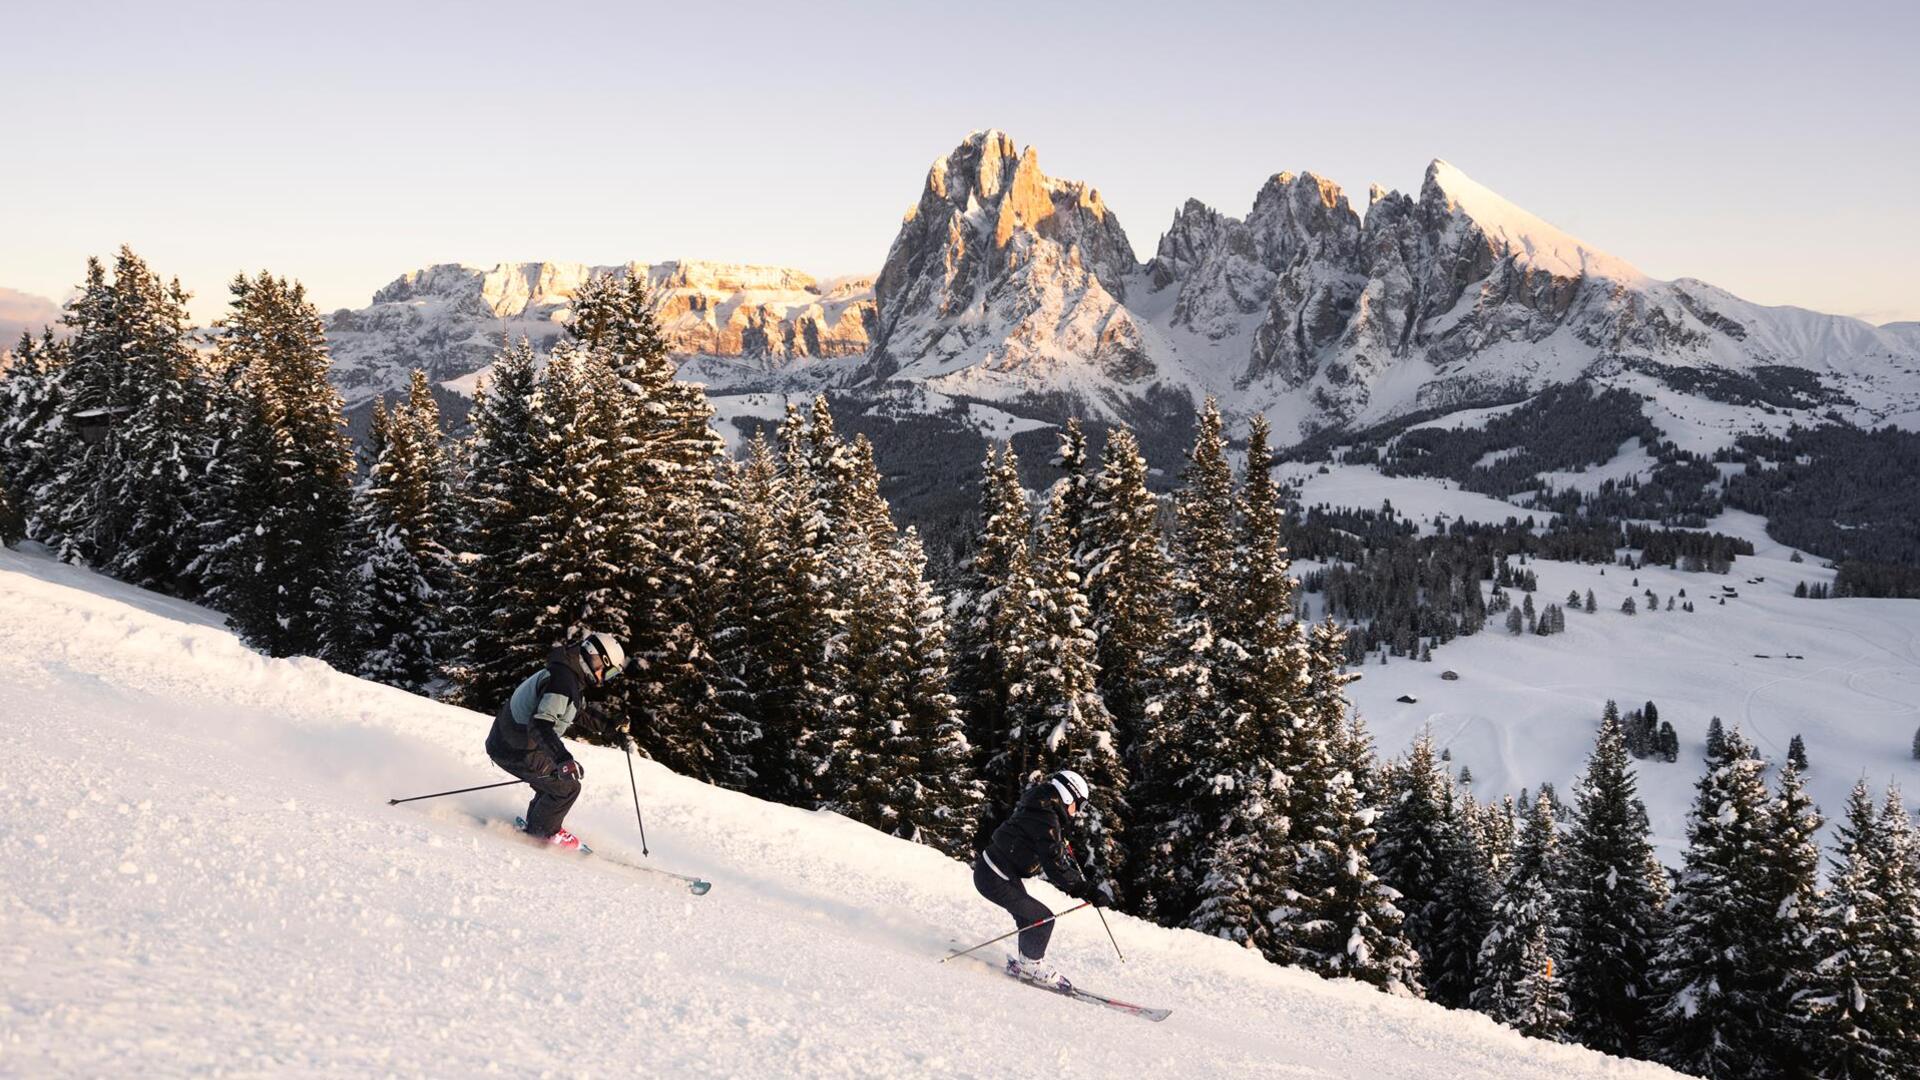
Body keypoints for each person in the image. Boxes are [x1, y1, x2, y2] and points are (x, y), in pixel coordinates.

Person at [485, 631, 624, 849]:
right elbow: (540, 724)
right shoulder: (563, 682)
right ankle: (543, 834)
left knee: (553, 782)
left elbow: (577, 710)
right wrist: (562, 759)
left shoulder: (567, 674)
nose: (604, 679)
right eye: (609, 672)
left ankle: (538, 827)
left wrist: (611, 725)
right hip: (516, 746)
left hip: (508, 740)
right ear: (597, 659)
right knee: (568, 787)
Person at [973, 769, 1105, 990]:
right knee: (1043, 918)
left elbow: (1044, 844)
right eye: (1079, 805)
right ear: (1067, 795)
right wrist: (1086, 890)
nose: (1077, 812)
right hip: (994, 874)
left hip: (995, 869)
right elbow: (1054, 865)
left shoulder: (1042, 808)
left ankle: (1027, 963)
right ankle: (1032, 965)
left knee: (1031, 919)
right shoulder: (1045, 817)